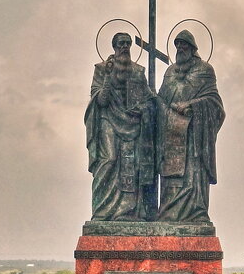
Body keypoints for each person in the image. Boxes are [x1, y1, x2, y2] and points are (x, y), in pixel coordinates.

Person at [85, 32, 159, 220]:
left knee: (131, 165)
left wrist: (144, 109)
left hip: (132, 123)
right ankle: (102, 212)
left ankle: (127, 212)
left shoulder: (138, 71)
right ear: (114, 46)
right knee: (109, 160)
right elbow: (100, 101)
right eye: (121, 43)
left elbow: (149, 99)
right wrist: (108, 76)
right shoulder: (102, 69)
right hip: (108, 119)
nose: (125, 47)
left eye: (128, 43)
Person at [157, 29, 224, 223]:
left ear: (192, 47)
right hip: (171, 132)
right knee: (171, 178)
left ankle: (195, 213)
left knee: (192, 175)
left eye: (183, 44)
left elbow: (214, 102)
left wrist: (191, 105)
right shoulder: (170, 72)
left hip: (195, 134)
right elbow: (161, 98)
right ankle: (168, 215)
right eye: (177, 44)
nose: (180, 48)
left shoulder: (205, 70)